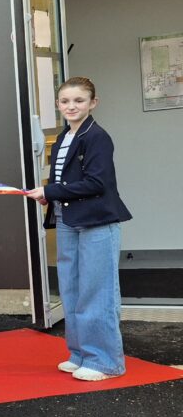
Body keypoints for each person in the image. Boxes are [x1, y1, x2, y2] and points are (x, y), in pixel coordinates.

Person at [26, 77, 132, 381]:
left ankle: (105, 362)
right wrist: (50, 193)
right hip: (68, 221)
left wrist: (50, 191)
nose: (71, 106)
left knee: (97, 292)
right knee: (72, 290)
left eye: (79, 101)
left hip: (98, 222)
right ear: (58, 105)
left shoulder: (97, 137)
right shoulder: (63, 137)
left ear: (93, 103)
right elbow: (64, 182)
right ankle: (80, 354)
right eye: (65, 101)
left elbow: (97, 183)